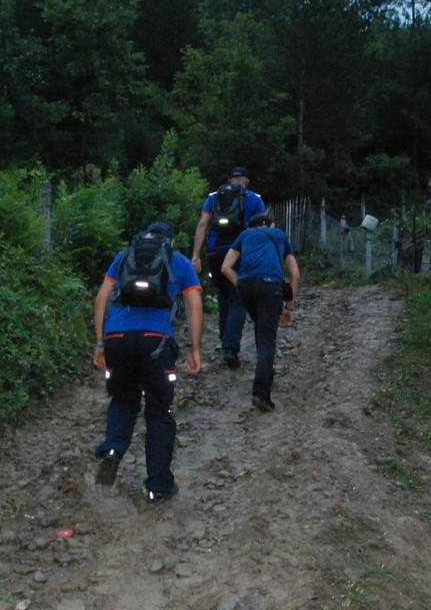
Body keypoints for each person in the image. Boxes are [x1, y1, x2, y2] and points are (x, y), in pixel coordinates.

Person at [92, 221, 203, 505]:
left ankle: (113, 449)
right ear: (172, 242)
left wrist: (101, 341)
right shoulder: (178, 261)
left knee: (122, 399)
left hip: (117, 337)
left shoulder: (124, 255)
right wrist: (195, 349)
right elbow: (194, 304)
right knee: (158, 411)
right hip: (156, 341)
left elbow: (102, 297)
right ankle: (158, 486)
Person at [220, 214, 300, 412]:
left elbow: (225, 268)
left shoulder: (244, 235)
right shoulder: (279, 234)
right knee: (267, 338)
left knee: (261, 328)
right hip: (270, 286)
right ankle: (261, 392)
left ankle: (266, 374)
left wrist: (242, 285)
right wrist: (289, 307)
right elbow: (295, 274)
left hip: (246, 286)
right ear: (271, 224)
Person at [191, 166, 266, 369]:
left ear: (230, 179)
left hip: (215, 252)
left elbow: (203, 224)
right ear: (246, 181)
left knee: (223, 294)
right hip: (240, 252)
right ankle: (230, 347)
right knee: (238, 298)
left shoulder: (213, 197)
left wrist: (196, 255)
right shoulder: (254, 198)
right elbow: (263, 227)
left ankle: (225, 339)